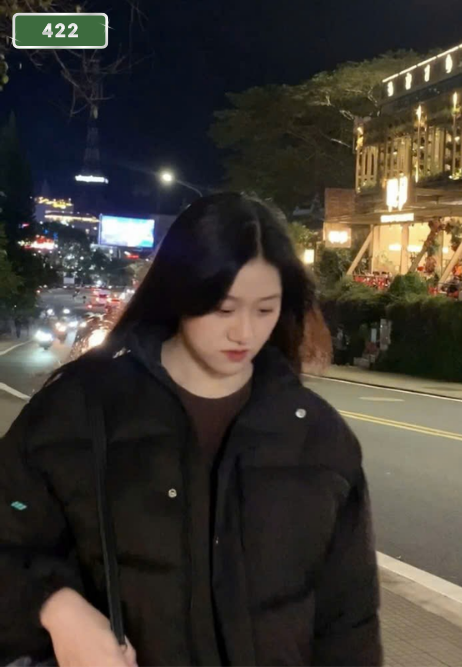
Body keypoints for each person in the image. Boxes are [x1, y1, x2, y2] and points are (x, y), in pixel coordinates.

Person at [0, 193, 382, 667]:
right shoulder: (78, 410)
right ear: (181, 293)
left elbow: (350, 624)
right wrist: (56, 608)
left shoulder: (318, 436)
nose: (244, 333)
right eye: (223, 309)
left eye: (265, 309)